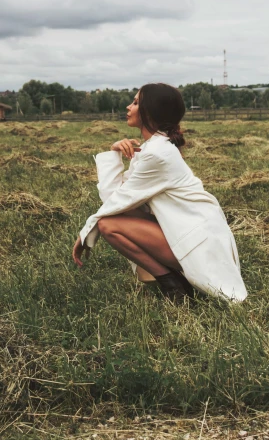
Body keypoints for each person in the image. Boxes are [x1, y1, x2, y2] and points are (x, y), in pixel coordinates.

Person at [72, 83, 247, 302]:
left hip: (200, 245)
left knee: (108, 224)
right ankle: (173, 280)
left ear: (150, 110)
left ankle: (173, 285)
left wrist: (84, 234)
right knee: (112, 218)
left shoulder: (157, 154)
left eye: (135, 102)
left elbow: (114, 201)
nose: (128, 106)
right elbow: (117, 200)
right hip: (193, 234)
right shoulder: (152, 149)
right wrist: (114, 152)